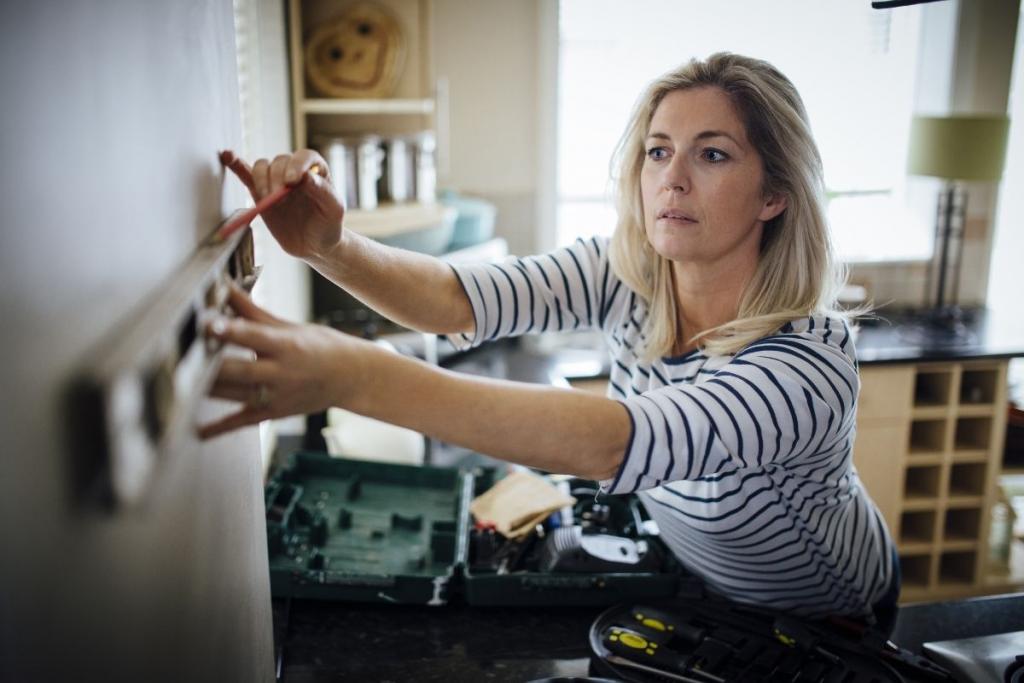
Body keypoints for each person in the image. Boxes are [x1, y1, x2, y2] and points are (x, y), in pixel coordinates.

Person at [203, 52, 899, 623]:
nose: (672, 179)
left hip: (827, 617)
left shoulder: (806, 364)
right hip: (699, 582)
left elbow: (615, 440)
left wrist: (356, 375)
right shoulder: (629, 270)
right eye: (659, 151)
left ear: (774, 194)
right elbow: (456, 298)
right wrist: (330, 247)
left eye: (712, 155)